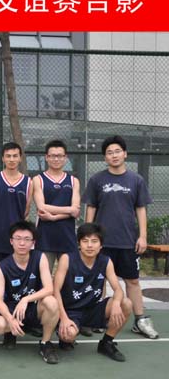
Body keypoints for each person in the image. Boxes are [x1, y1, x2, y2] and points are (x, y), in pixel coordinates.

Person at [83, 135, 159, 339]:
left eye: (117, 151)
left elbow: (141, 209)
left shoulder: (136, 180)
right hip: (102, 243)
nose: (114, 155)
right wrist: (89, 235)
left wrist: (143, 236)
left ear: (125, 154)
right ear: (105, 157)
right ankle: (98, 318)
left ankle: (140, 320)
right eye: (109, 152)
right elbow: (91, 207)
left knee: (132, 281)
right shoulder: (96, 180)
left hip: (127, 241)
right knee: (100, 280)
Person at [54, 223, 132, 362]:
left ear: (101, 245)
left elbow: (118, 289)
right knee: (68, 335)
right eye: (85, 241)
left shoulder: (106, 261)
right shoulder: (67, 259)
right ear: (79, 244)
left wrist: (116, 303)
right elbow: (55, 290)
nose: (89, 245)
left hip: (93, 309)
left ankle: (106, 343)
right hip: (71, 310)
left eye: (94, 241)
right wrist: (64, 318)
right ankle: (64, 334)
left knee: (125, 303)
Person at [0, 221, 60, 364]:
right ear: (11, 241)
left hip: (32, 307)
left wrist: (26, 299)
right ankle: (11, 331)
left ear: (33, 242)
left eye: (27, 239)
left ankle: (45, 343)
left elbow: (49, 288)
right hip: (11, 309)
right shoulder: (1, 267)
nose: (22, 243)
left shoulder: (40, 258)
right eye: (18, 238)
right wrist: (10, 319)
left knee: (52, 302)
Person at [0, 142, 32, 310]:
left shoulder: (28, 182)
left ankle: (18, 311)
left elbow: (26, 210)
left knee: (17, 278)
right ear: (3, 158)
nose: (12, 159)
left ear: (20, 158)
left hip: (18, 240)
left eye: (15, 156)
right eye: (8, 156)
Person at [34, 140, 80, 271]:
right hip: (45, 237)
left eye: (60, 156)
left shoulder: (73, 181)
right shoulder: (38, 180)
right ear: (46, 157)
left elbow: (76, 211)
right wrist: (69, 210)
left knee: (69, 277)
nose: (56, 159)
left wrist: (54, 217)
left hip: (67, 236)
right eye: (53, 156)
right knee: (43, 277)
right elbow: (42, 207)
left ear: (65, 158)